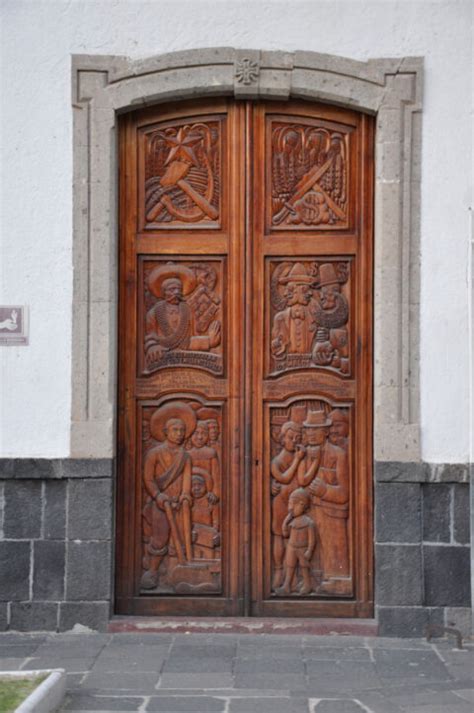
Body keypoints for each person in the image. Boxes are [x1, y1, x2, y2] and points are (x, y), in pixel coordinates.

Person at [141, 401, 196, 590]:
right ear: (165, 432)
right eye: (175, 430)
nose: (179, 434)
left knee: (182, 537)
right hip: (161, 503)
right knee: (160, 537)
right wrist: (158, 496)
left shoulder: (185, 456)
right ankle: (153, 571)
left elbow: (187, 478)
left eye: (182, 430)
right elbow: (148, 479)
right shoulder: (155, 453)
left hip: (179, 504)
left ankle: (178, 571)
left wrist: (186, 495)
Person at [304, 409, 351, 592]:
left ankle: (339, 583)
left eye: (315, 430)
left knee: (334, 552)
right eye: (308, 430)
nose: (310, 434)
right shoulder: (308, 453)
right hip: (313, 510)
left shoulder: (338, 454)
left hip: (333, 513)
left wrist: (324, 490)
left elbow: (345, 493)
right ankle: (315, 581)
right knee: (315, 551)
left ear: (325, 431)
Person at [145, 263, 221, 368]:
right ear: (163, 292)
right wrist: (152, 346)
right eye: (172, 289)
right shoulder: (153, 313)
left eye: (179, 289)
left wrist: (209, 341)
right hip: (162, 363)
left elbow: (188, 340)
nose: (176, 292)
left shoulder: (188, 311)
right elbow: (150, 336)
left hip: (188, 361)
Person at [270, 420, 305, 589]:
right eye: (291, 437)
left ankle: (294, 573)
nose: (294, 441)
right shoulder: (277, 460)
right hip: (281, 503)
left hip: (298, 503)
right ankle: (278, 570)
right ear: (282, 438)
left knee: (296, 536)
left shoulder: (301, 456)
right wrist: (297, 460)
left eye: (297, 438)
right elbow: (283, 478)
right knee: (278, 535)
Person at [277, 488, 316, 596]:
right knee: (290, 566)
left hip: (302, 548)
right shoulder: (292, 521)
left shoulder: (309, 523)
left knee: (304, 567)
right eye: (290, 504)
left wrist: (309, 550)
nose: (290, 508)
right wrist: (286, 520)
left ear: (302, 505)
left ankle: (307, 585)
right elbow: (285, 534)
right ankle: (286, 585)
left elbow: (312, 539)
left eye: (293, 504)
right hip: (291, 547)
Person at [190, 472, 220, 559]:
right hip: (193, 543)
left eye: (200, 485)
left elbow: (217, 524)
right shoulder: (187, 503)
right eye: (193, 485)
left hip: (208, 542)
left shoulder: (211, 502)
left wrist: (218, 536)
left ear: (206, 486)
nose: (196, 488)